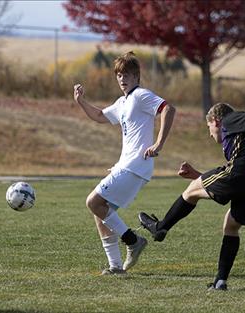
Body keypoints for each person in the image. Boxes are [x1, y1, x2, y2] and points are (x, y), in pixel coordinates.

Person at [139, 102, 245, 290]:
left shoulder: (229, 120)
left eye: (209, 128)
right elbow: (234, 179)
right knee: (230, 225)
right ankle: (220, 281)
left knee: (191, 192)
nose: (209, 133)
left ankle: (160, 228)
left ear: (216, 121)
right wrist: (198, 176)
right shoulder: (244, 139)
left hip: (242, 173)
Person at [73, 51, 176, 275]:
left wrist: (158, 144)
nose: (122, 79)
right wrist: (81, 102)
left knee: (93, 201)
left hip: (136, 166)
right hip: (125, 166)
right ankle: (115, 266)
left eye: (127, 74)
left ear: (137, 76)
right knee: (100, 212)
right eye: (119, 75)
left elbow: (168, 109)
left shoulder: (141, 96)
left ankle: (133, 241)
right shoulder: (123, 101)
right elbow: (100, 115)